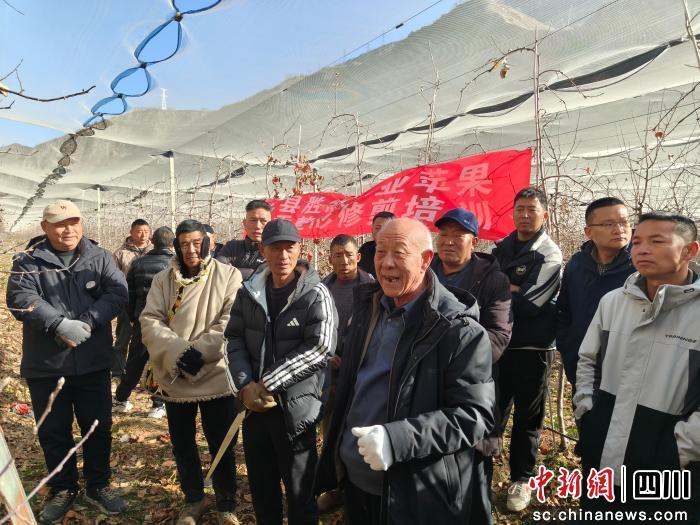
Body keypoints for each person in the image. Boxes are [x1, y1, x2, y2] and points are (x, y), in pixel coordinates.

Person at [316, 218, 495, 525]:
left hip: (414, 492)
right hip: (355, 481)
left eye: (399, 253)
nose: (386, 263)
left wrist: (396, 439)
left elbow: (474, 416)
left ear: (426, 260)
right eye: (380, 251)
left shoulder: (458, 330)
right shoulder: (369, 308)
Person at [6, 200, 129, 523]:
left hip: (93, 361)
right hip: (47, 365)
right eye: (59, 224)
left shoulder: (100, 257)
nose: (68, 229)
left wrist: (88, 321)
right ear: (44, 227)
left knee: (97, 427)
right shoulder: (28, 261)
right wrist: (58, 324)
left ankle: (98, 485)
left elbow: (118, 293)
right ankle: (62, 487)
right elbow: (20, 298)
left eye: (73, 222)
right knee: (54, 430)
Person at [574, 211, 700, 523]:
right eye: (638, 241)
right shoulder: (613, 302)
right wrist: (587, 410)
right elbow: (588, 360)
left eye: (657, 241)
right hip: (602, 446)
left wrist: (680, 449)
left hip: (670, 464)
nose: (642, 249)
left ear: (690, 250)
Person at [225, 219, 337, 525]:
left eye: (289, 248)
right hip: (255, 409)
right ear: (263, 250)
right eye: (275, 248)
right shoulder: (249, 292)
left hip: (296, 413)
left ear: (300, 249)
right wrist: (244, 385)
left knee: (301, 495)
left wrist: (268, 383)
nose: (283, 255)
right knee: (263, 491)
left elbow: (320, 347)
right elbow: (232, 338)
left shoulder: (316, 294)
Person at [140, 220, 243, 525]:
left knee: (221, 443)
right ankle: (193, 498)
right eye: (184, 244)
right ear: (176, 246)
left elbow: (231, 320)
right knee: (183, 443)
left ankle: (226, 502)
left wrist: (201, 352)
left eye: (197, 243)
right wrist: (179, 353)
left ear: (208, 243)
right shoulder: (163, 280)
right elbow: (150, 320)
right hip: (176, 374)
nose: (191, 250)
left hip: (216, 371)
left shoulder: (228, 275)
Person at [431, 208, 512, 525]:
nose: (449, 241)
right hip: (426, 388)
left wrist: (448, 358)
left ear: (474, 241)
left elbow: (498, 337)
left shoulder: (493, 280)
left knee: (473, 477)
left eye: (458, 235)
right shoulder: (425, 272)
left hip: (471, 389)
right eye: (444, 234)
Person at [491, 186, 562, 512]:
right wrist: (512, 288)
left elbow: (532, 303)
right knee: (492, 410)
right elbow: (485, 290)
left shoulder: (549, 253)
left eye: (531, 209)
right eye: (519, 209)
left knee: (528, 419)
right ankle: (483, 469)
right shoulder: (499, 249)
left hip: (533, 348)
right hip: (498, 346)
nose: (524, 215)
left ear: (544, 215)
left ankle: (521, 479)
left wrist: (502, 290)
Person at [317, 234, 374, 514]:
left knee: (359, 430)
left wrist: (352, 355)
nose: (344, 260)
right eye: (338, 255)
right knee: (330, 431)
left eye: (349, 254)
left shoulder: (372, 288)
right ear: (330, 258)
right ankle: (335, 487)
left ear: (358, 257)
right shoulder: (322, 288)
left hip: (361, 373)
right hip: (330, 375)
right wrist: (326, 354)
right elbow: (315, 327)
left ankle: (358, 487)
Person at [556, 197, 634, 387]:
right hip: (582, 365)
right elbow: (564, 310)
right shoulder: (577, 264)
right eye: (608, 224)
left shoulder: (640, 266)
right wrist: (567, 347)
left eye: (624, 222)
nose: (619, 229)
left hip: (627, 370)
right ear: (589, 232)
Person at [112, 226, 175, 417]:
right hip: (169, 322)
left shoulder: (138, 263)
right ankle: (158, 404)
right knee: (161, 362)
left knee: (135, 362)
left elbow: (129, 295)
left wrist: (133, 317)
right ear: (172, 243)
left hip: (144, 320)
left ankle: (121, 398)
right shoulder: (176, 264)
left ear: (152, 241)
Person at [112, 219, 153, 376]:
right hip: (127, 302)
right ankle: (117, 372)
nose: (143, 235)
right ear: (131, 232)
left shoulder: (155, 251)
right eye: (139, 231)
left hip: (150, 302)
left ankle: (146, 374)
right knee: (123, 338)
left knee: (150, 339)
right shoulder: (121, 253)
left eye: (146, 231)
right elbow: (113, 278)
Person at [216, 199, 270, 279]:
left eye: (263, 221)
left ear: (270, 224)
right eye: (253, 220)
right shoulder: (232, 247)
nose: (257, 226)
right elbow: (218, 270)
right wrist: (254, 273)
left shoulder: (275, 250)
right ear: (244, 223)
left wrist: (232, 271)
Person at [357, 211, 395, 278]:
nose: (381, 232)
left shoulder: (401, 251)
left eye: (386, 228)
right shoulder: (365, 249)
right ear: (372, 230)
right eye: (378, 228)